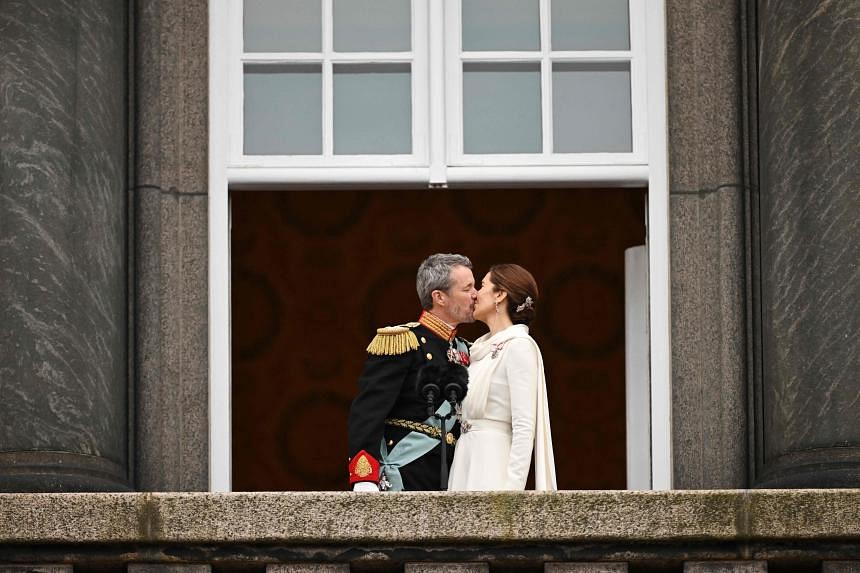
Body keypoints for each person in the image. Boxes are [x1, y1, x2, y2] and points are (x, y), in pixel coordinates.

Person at [347, 253, 477, 491]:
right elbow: (368, 410)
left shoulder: (468, 349)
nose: (476, 294)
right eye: (467, 288)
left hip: (454, 475)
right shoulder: (403, 341)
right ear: (439, 297)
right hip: (407, 471)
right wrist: (365, 476)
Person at [448, 264, 557, 491]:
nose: (476, 293)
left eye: (483, 285)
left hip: (492, 464)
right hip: (465, 459)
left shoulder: (518, 346)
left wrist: (512, 492)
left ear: (500, 294)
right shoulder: (479, 349)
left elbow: (524, 426)